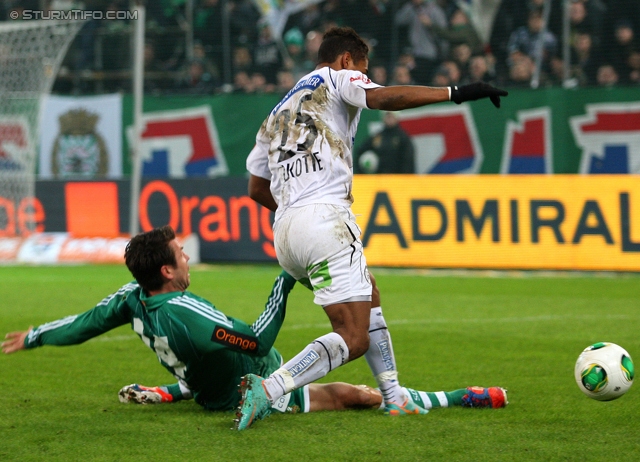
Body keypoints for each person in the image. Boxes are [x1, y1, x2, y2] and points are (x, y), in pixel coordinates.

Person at [244, 26, 507, 430]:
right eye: (364, 70)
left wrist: (296, 210)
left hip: (285, 232)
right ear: (348, 60)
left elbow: (256, 187)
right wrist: (456, 93)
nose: (365, 78)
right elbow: (383, 98)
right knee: (353, 337)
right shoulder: (337, 77)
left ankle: (394, 397)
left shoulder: (277, 111)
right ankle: (270, 388)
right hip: (325, 220)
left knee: (369, 292)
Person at [2, 226, 507, 418]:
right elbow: (258, 339)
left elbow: (83, 323)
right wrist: (284, 280)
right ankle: (457, 397)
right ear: (166, 270)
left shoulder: (130, 299)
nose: (187, 257)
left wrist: (36, 336)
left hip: (205, 383)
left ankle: (170, 390)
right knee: (359, 395)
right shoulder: (185, 312)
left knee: (203, 367)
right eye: (181, 253)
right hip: (250, 386)